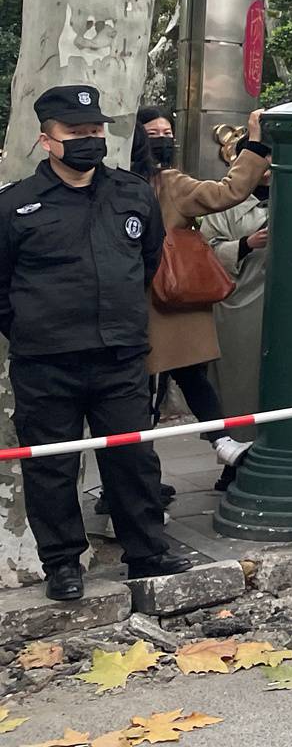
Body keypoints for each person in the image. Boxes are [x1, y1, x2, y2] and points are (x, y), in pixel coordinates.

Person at [1, 86, 192, 600]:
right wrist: (31, 331)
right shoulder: (15, 205)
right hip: (47, 362)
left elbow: (148, 261)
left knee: (132, 460)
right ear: (47, 140)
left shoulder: (132, 193)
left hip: (120, 357)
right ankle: (63, 565)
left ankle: (147, 552)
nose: (90, 140)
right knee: (51, 466)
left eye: (95, 130)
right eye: (75, 133)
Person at [131, 107, 271, 484]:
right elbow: (230, 193)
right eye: (153, 132)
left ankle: (214, 442)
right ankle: (140, 483)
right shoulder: (155, 184)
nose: (162, 139)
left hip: (161, 302)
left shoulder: (165, 184)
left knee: (174, 383)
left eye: (167, 132)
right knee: (144, 397)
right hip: (148, 303)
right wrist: (254, 143)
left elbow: (228, 191)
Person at [200, 125, 272, 485]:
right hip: (239, 303)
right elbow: (204, 251)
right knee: (239, 385)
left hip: (283, 306)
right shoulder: (222, 201)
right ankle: (237, 462)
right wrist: (245, 244)